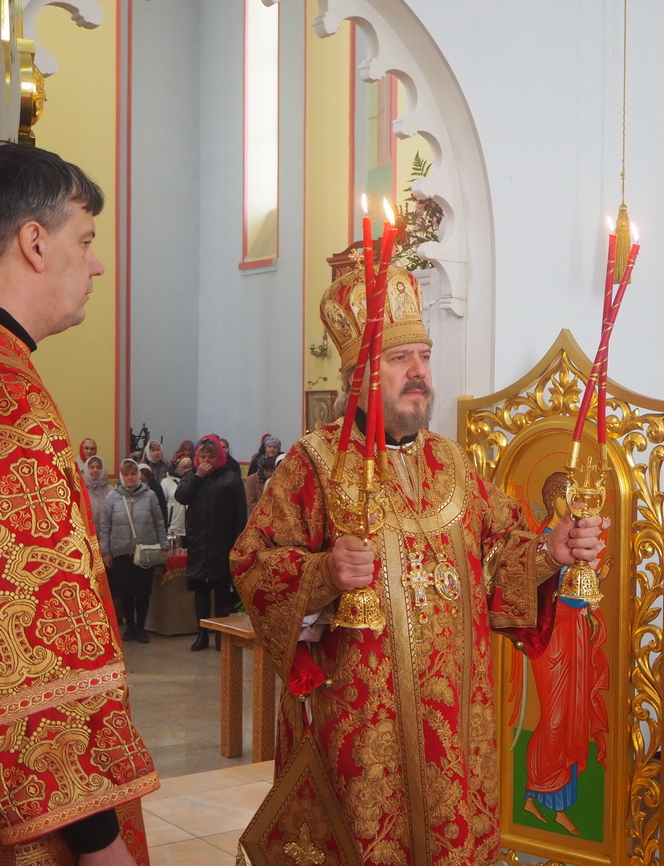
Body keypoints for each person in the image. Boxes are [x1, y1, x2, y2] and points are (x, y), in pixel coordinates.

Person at [230, 266, 604, 866]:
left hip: (458, 732)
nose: (419, 372)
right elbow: (252, 564)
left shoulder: (455, 465)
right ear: (359, 378)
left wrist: (547, 553)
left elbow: (500, 556)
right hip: (358, 734)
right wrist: (324, 573)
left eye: (424, 356)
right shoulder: (313, 464)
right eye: (399, 357)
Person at [0, 144, 157, 863]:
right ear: (34, 242)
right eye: (87, 239)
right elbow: (14, 645)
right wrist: (100, 840)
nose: (97, 264)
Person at [522, 472, 609, 837]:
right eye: (564, 497)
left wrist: (598, 565)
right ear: (552, 501)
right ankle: (535, 793)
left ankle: (560, 805)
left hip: (572, 634)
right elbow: (563, 596)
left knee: (574, 716)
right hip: (551, 636)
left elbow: (581, 597)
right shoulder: (542, 544)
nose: (572, 505)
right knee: (555, 718)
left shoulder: (579, 542)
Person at [176, 434, 247, 651]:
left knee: (221, 590)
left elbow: (240, 512)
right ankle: (202, 634)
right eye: (202, 456)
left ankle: (221, 636)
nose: (206, 460)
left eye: (210, 456)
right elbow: (182, 497)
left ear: (219, 457)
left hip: (222, 542)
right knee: (201, 590)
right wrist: (198, 476)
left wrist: (238, 542)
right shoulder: (191, 477)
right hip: (199, 542)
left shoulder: (230, 478)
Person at [98, 459, 168, 643]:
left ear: (138, 475)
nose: (130, 477)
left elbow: (159, 522)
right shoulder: (112, 497)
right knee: (126, 592)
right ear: (122, 475)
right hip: (121, 552)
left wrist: (164, 546)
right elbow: (105, 527)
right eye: (127, 474)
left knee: (143, 590)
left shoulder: (150, 495)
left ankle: (141, 627)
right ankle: (129, 627)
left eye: (133, 473)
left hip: (145, 550)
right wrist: (105, 551)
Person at [85, 453, 111, 530]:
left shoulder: (111, 492)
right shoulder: (81, 491)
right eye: (92, 467)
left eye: (98, 467)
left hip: (105, 536)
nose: (95, 470)